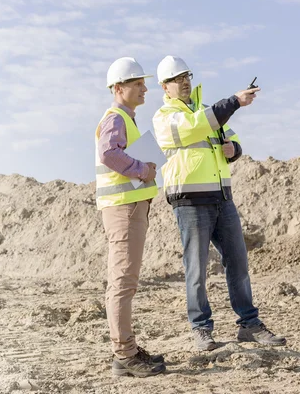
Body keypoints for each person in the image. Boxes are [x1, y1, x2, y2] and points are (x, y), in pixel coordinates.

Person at [152, 55, 286, 351]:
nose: (185, 81)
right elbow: (196, 127)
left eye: (187, 76)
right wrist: (234, 101)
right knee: (197, 270)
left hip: (222, 197)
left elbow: (234, 141)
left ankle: (249, 325)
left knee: (238, 264)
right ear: (165, 86)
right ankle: (201, 329)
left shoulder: (207, 111)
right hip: (189, 200)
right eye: (178, 78)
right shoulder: (166, 117)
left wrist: (232, 149)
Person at [95, 57, 166, 377]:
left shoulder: (125, 118)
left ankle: (128, 349)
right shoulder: (116, 118)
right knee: (123, 283)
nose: (144, 89)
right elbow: (108, 153)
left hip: (131, 207)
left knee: (126, 282)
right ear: (119, 88)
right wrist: (142, 169)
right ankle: (124, 355)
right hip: (123, 210)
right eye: (138, 84)